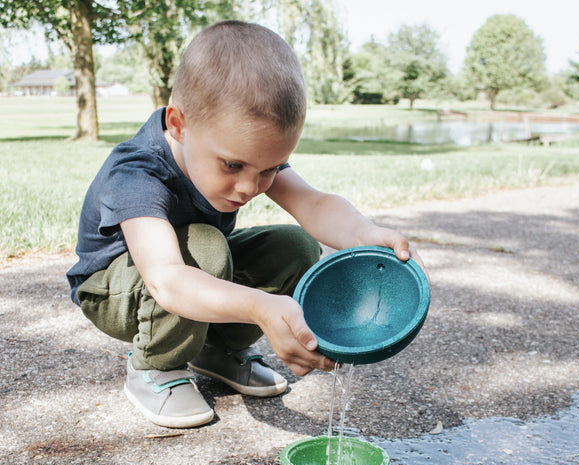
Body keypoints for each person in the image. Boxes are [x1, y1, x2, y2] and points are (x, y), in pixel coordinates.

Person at [67, 20, 422, 429]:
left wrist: (365, 235)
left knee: (295, 247)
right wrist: (261, 307)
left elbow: (311, 203)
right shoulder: (137, 172)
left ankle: (216, 351)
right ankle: (156, 365)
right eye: (233, 165)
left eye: (269, 168)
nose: (249, 186)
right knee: (206, 247)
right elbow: (166, 278)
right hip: (116, 291)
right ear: (178, 124)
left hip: (193, 270)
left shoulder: (236, 149)